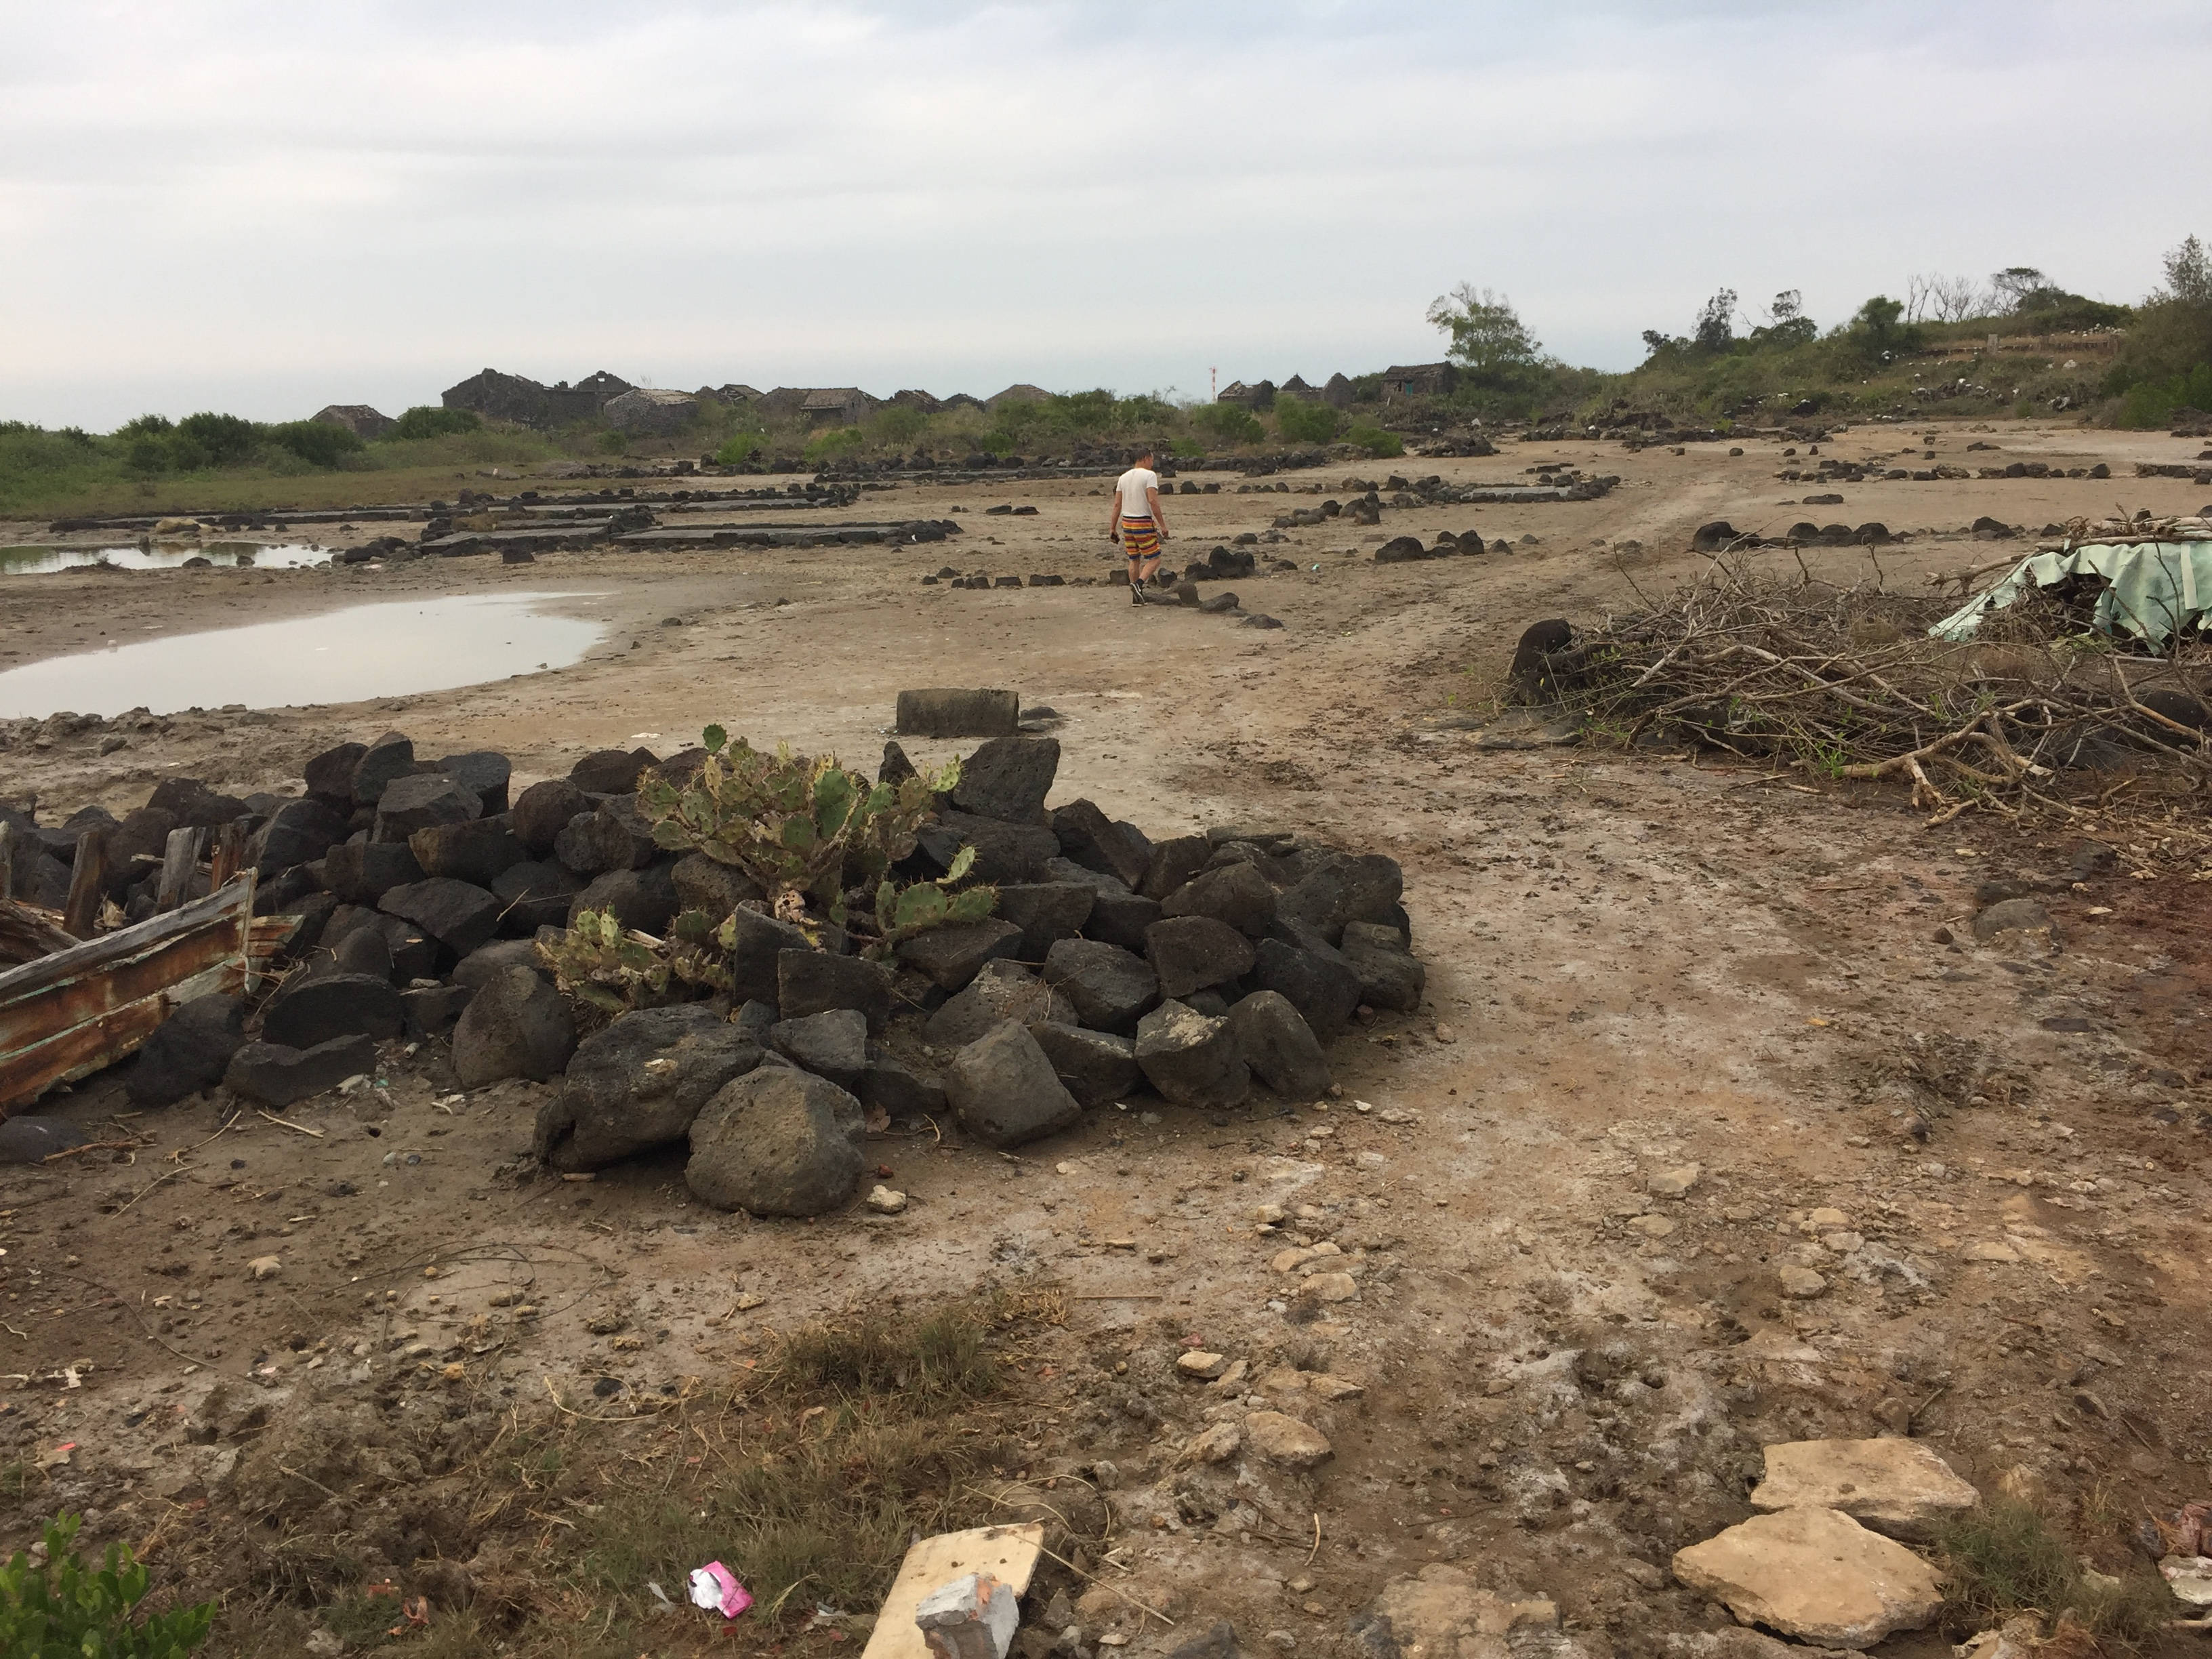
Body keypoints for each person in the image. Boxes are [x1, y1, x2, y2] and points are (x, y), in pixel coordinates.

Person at [1109, 447, 1168, 603]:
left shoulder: (1123, 477)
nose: (1152, 463)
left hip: (1127, 522)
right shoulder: (1150, 476)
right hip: (1142, 521)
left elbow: (1117, 505)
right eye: (1152, 460)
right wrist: (1163, 525)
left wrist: (1112, 528)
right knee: (1155, 558)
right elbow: (1153, 501)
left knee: (1134, 559)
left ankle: (1136, 598)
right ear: (1145, 458)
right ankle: (1138, 584)